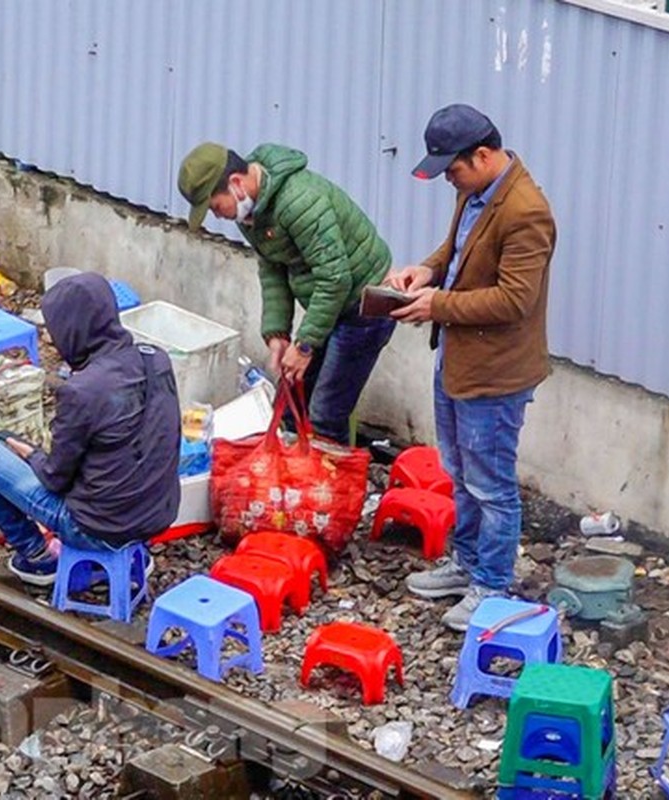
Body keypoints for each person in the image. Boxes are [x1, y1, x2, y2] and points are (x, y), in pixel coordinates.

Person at [387, 104, 556, 631]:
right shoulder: (475, 190)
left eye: (452, 169)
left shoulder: (527, 211)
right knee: (459, 472)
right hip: (458, 360)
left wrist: (437, 305)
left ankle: (493, 582)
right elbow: (457, 251)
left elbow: (514, 301)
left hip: (497, 374)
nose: (448, 180)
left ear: (482, 155)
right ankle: (466, 564)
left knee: (491, 483)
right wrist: (427, 269)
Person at [0, 273, 181, 585]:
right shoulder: (156, 359)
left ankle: (37, 556)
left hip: (95, 529)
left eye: (56, 330)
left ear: (74, 329)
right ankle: (132, 558)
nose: (53, 340)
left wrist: (30, 454)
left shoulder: (82, 390)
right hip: (157, 516)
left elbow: (54, 479)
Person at [177, 142, 395, 444]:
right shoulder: (250, 211)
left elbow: (335, 279)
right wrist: (277, 333)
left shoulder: (300, 202)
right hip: (330, 300)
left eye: (215, 206)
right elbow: (272, 268)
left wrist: (305, 346)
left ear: (236, 184)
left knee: (325, 413)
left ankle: (330, 484)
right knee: (292, 397)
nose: (217, 215)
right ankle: (292, 475)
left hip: (364, 304)